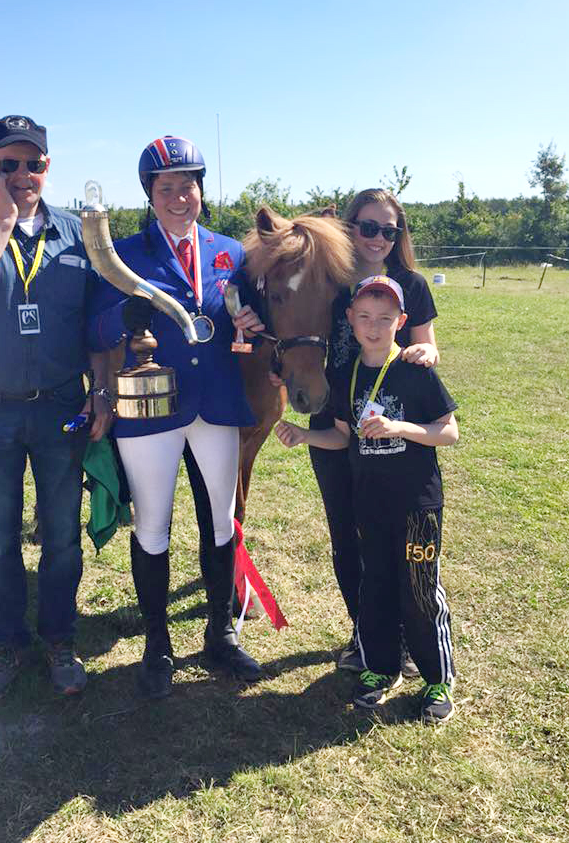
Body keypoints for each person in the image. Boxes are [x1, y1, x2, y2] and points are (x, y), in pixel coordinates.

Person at [0, 115, 113, 701]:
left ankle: (60, 640)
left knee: (61, 535)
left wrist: (102, 388)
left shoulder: (75, 231)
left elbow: (94, 324)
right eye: (7, 164)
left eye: (32, 163)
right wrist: (3, 221)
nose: (21, 174)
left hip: (61, 406)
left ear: (47, 167)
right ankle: (6, 644)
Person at [87, 135, 264, 699]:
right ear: (150, 194)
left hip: (216, 404)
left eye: (188, 185)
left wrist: (253, 323)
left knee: (220, 522)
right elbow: (93, 330)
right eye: (166, 188)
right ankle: (157, 644)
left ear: (201, 190)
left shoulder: (230, 252)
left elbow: (249, 313)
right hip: (151, 408)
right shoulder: (122, 255)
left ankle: (220, 634)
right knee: (153, 526)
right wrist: (123, 313)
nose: (179, 197)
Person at [276, 275, 458, 724]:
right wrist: (304, 435)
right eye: (364, 318)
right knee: (374, 585)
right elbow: (343, 437)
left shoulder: (415, 371)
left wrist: (400, 428)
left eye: (384, 318)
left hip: (416, 505)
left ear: (402, 321)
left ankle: (437, 679)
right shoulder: (346, 376)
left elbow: (448, 432)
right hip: (369, 503)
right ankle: (381, 667)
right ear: (350, 320)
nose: (374, 327)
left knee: (419, 591)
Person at [299, 189, 440, 674]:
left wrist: (426, 353)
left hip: (392, 431)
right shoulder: (329, 281)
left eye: (389, 230)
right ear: (350, 227)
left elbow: (427, 346)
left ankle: (406, 637)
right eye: (368, 227)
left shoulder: (411, 284)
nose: (378, 238)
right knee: (346, 534)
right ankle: (366, 635)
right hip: (335, 420)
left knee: (396, 539)